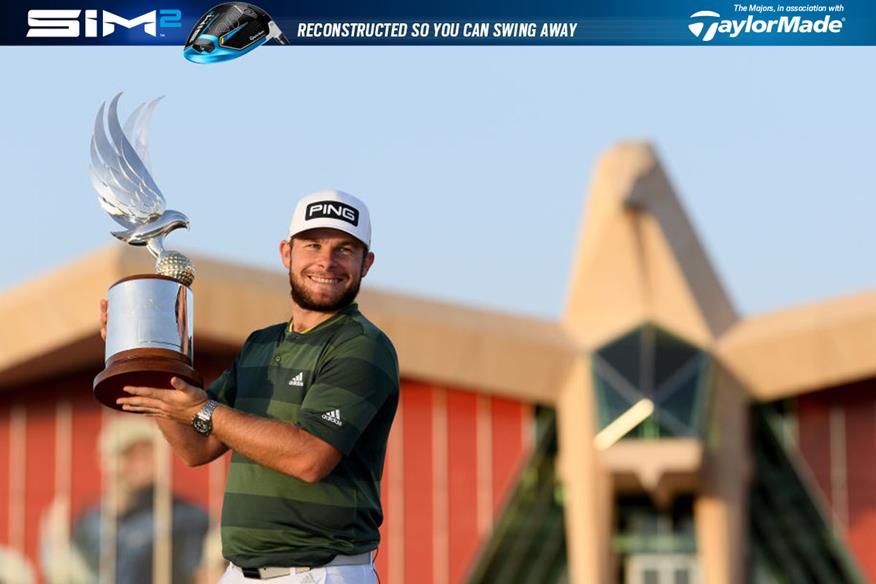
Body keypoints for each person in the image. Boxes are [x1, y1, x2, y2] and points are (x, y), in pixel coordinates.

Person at [104, 190, 399, 584]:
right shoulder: (261, 344)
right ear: (286, 254)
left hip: (321, 573)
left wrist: (203, 411)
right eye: (312, 245)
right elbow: (197, 446)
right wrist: (147, 358)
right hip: (239, 574)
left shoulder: (361, 345)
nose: (326, 262)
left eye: (344, 249)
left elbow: (310, 458)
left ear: (367, 264)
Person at [40, 417, 209, 584]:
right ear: (104, 460)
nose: (141, 462)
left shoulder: (186, 517)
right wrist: (56, 546)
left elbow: (203, 576)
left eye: (148, 452)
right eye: (128, 453)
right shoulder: (90, 520)